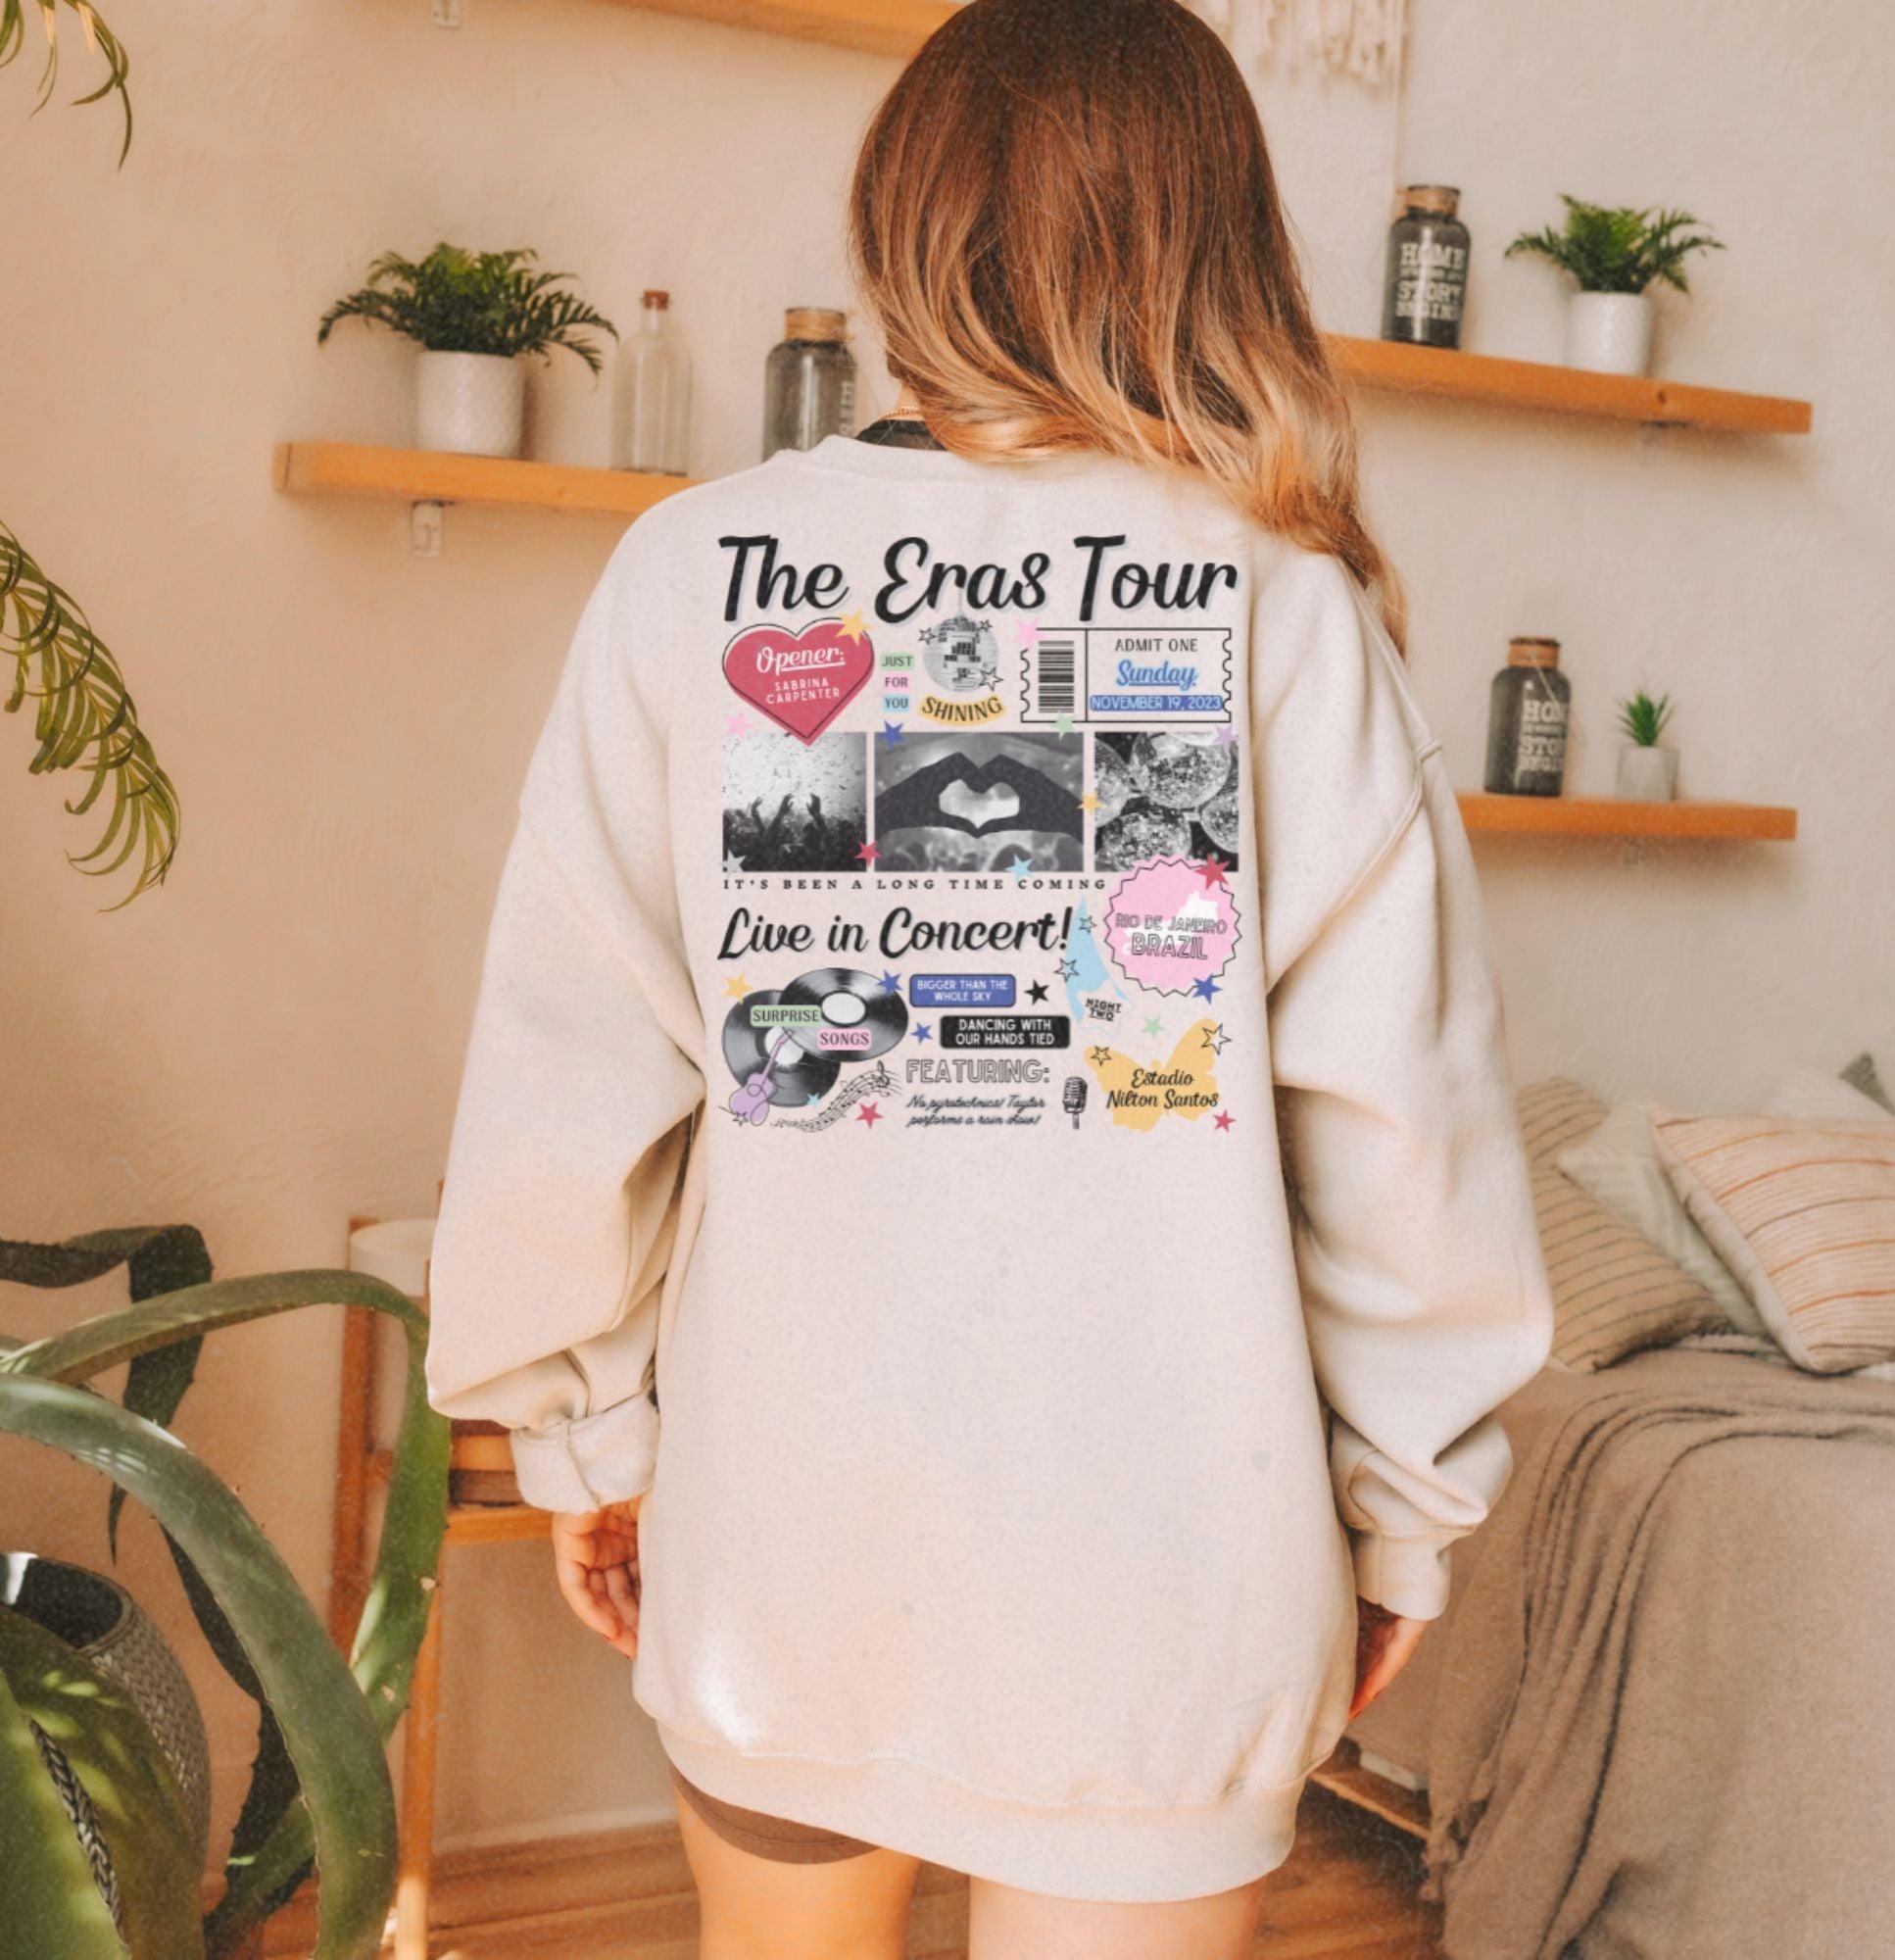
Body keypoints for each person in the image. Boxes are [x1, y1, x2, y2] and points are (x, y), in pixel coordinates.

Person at [424, 2, 1553, 1955]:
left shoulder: (701, 569)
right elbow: (1402, 1142)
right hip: (1166, 1581)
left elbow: (571, 1064)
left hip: (789, 1544)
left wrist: (585, 1440)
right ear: (1218, 239)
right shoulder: (1287, 605)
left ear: (905, 221)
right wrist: (1400, 1518)